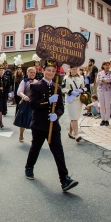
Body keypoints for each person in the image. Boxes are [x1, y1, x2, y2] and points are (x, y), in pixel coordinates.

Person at [24, 60, 78, 192]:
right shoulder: (35, 86)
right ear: (43, 71)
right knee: (35, 148)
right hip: (39, 124)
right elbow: (33, 105)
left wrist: (57, 115)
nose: (50, 73)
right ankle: (29, 167)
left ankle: (64, 179)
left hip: (53, 125)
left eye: (53, 71)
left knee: (58, 151)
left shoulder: (57, 87)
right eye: (48, 70)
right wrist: (47, 101)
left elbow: (60, 107)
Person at [62, 66, 86, 141]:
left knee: (74, 117)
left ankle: (70, 132)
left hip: (78, 100)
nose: (74, 70)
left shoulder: (81, 78)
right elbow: (63, 89)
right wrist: (70, 91)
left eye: (76, 69)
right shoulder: (66, 78)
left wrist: (81, 90)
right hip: (70, 100)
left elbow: (85, 87)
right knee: (74, 117)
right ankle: (77, 135)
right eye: (73, 69)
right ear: (70, 70)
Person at [14, 67, 37, 142]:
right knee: (23, 120)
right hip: (26, 103)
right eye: (31, 72)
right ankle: (21, 134)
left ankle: (34, 137)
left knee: (35, 120)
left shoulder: (37, 82)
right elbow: (19, 91)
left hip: (35, 104)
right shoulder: (24, 82)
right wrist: (24, 96)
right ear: (27, 73)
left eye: (34, 72)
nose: (32, 74)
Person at [96, 60, 111, 126]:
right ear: (103, 66)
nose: (107, 66)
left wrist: (105, 80)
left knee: (107, 105)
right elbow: (98, 81)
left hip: (108, 90)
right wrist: (104, 81)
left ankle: (107, 119)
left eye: (108, 65)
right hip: (100, 90)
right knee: (102, 105)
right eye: (105, 65)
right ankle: (103, 119)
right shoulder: (100, 73)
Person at [0, 57, 10, 128]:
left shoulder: (6, 78)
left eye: (2, 70)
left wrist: (9, 94)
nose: (1, 71)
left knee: (2, 109)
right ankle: (1, 122)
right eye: (0, 70)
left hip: (4, 95)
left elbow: (7, 86)